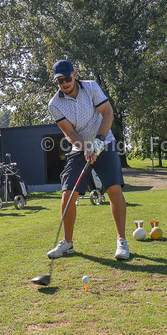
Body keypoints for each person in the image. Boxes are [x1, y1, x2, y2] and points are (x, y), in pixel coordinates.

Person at [45, 60, 129, 261]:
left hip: (105, 141)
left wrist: (99, 142)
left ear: (75, 74)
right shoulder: (54, 104)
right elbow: (70, 132)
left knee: (113, 188)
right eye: (59, 81)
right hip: (79, 147)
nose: (64, 83)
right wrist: (86, 148)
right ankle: (68, 243)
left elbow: (108, 113)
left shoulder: (91, 86)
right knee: (68, 193)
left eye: (67, 78)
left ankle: (122, 241)